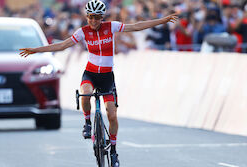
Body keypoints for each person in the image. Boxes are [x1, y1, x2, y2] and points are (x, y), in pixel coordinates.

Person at [19, 0, 178, 166]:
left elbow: (136, 26)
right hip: (90, 74)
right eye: (90, 17)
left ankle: (114, 152)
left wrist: (163, 20)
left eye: (97, 18)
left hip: (107, 78)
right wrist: (36, 50)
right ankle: (87, 123)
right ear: (87, 17)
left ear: (102, 18)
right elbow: (62, 45)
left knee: (112, 116)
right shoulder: (83, 32)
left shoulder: (112, 27)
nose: (93, 21)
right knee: (85, 94)